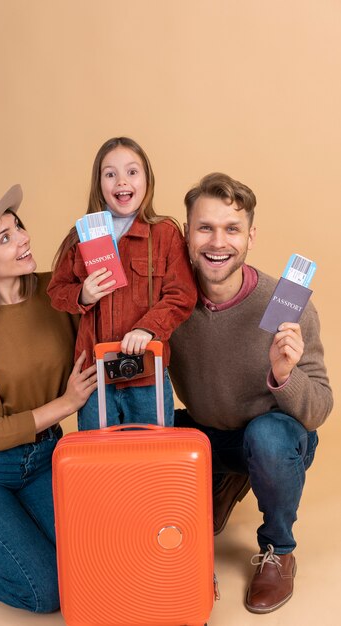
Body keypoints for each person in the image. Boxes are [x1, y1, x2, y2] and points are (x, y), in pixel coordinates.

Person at [168, 172, 333, 614]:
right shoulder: (171, 302)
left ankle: (279, 549)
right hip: (207, 433)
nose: (217, 242)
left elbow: (317, 411)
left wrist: (284, 374)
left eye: (231, 229)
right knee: (150, 424)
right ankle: (225, 478)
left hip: (272, 440)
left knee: (267, 437)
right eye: (205, 227)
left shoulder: (286, 302)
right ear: (187, 234)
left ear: (250, 236)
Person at [0, 184, 97, 612]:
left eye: (18, 228)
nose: (23, 239)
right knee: (47, 592)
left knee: (90, 564)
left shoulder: (60, 293)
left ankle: (3, 539)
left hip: (45, 458)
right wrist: (66, 404)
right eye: (4, 238)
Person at [47, 137, 197, 429]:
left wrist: (148, 328)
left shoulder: (164, 234)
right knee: (100, 462)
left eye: (132, 171)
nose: (121, 182)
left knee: (150, 459)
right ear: (99, 183)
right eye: (110, 174)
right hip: (95, 378)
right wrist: (83, 294)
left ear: (146, 179)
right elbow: (56, 292)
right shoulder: (80, 237)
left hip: (147, 376)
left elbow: (182, 295)